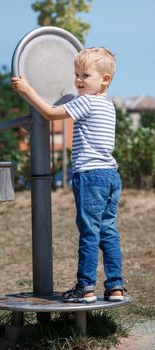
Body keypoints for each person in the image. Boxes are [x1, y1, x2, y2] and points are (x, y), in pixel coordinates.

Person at [11, 47, 125, 303]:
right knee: (108, 231)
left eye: (85, 75)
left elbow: (52, 114)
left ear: (104, 79)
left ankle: (85, 288)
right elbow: (61, 108)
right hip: (110, 175)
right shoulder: (107, 103)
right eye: (76, 74)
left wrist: (27, 91)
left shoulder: (86, 101)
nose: (78, 80)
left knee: (89, 233)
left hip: (89, 176)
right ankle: (115, 287)